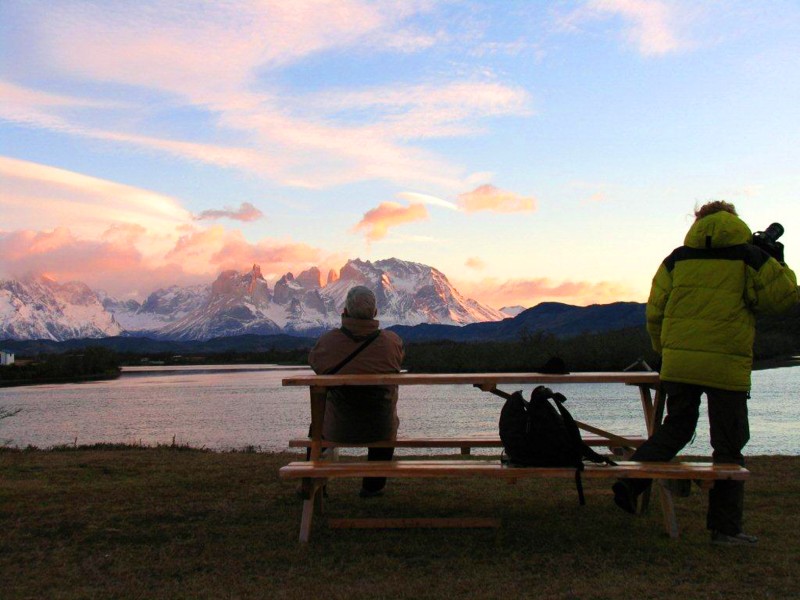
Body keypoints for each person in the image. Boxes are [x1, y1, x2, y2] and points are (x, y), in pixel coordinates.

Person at [612, 201, 799, 545]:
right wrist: (776, 260)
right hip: (726, 365)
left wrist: (665, 351)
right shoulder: (749, 257)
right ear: (733, 220)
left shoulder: (676, 259)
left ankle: (630, 480)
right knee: (728, 444)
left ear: (698, 222)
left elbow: (655, 312)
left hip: (679, 363)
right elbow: (784, 298)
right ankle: (725, 529)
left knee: (676, 428)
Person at [308, 285, 404, 498]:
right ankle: (373, 487)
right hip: (380, 428)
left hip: (337, 428)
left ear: (344, 312)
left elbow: (315, 363)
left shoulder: (327, 342)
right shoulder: (392, 343)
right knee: (386, 422)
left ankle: (311, 481)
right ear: (375, 313)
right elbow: (398, 362)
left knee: (316, 426)